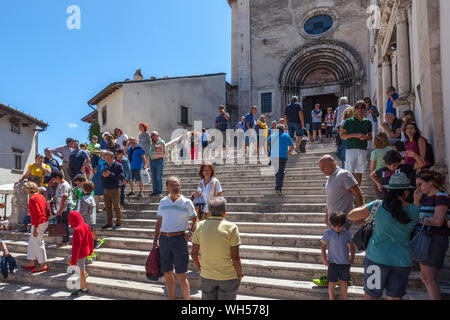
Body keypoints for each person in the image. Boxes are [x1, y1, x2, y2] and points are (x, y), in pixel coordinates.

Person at [348, 173, 420, 300]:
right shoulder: (414, 210)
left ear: (388, 189)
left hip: (376, 258)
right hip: (401, 261)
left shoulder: (377, 205)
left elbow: (351, 215)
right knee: (395, 297)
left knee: (370, 296)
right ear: (406, 192)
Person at [153, 177, 198, 300]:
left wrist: (190, 233)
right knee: (167, 273)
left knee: (181, 274)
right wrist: (155, 240)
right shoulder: (163, 202)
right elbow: (159, 221)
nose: (175, 187)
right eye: (172, 185)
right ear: (167, 187)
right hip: (164, 239)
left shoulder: (186, 202)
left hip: (179, 240)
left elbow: (195, 219)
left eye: (177, 185)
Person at [191, 197, 243, 300]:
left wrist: (201, 268)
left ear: (209, 211)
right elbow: (235, 257)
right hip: (228, 277)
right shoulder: (232, 227)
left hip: (207, 275)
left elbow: (193, 254)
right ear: (224, 212)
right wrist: (240, 274)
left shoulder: (200, 225)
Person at [414, 170, 450, 300]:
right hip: (425, 238)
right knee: (426, 277)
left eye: (420, 184)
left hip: (435, 238)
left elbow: (438, 221)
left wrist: (418, 219)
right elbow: (415, 212)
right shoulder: (425, 197)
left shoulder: (442, 196)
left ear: (430, 182)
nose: (418, 188)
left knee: (428, 278)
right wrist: (416, 200)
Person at [319, 155, 363, 229]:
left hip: (343, 222)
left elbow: (358, 194)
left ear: (333, 164)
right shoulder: (329, 178)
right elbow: (329, 199)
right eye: (320, 167)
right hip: (333, 221)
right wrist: (327, 216)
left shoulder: (343, 174)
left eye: (323, 167)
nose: (321, 170)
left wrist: (359, 216)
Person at [320, 212, 355, 300]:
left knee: (344, 283)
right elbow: (323, 247)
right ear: (331, 224)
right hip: (333, 264)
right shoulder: (328, 233)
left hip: (344, 263)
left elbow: (352, 246)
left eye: (340, 226)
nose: (337, 228)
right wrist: (324, 260)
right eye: (334, 226)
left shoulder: (347, 233)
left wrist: (352, 259)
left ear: (344, 224)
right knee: (332, 283)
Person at [340, 100, 372, 186]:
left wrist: (365, 137)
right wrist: (356, 135)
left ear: (365, 109)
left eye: (362, 107)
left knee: (359, 171)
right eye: (357, 107)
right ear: (355, 109)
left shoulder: (368, 122)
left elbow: (370, 137)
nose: (360, 109)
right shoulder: (349, 121)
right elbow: (342, 135)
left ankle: (358, 192)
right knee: (350, 171)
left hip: (362, 149)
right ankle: (351, 192)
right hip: (351, 148)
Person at [20, 182, 49, 273]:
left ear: (29, 189)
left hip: (39, 223)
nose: (25, 191)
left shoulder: (32, 199)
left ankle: (43, 264)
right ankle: (32, 263)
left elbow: (38, 214)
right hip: (43, 221)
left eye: (25, 189)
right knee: (32, 242)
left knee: (38, 243)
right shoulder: (41, 196)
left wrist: (36, 227)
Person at [66, 210, 93, 296]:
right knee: (69, 260)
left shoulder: (77, 230)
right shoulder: (86, 226)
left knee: (81, 270)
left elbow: (75, 248)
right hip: (85, 251)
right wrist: (91, 250)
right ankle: (84, 274)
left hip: (80, 253)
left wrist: (74, 262)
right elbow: (91, 240)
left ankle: (84, 289)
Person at [267, 124, 294, 196]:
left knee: (277, 172)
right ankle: (278, 188)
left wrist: (268, 151)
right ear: (283, 129)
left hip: (273, 156)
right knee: (281, 172)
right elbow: (292, 147)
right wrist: (287, 154)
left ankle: (278, 188)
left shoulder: (272, 136)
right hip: (282, 156)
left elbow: (266, 143)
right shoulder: (286, 136)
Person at [100, 151, 124, 230]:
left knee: (116, 206)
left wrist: (110, 174)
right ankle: (109, 223)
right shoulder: (105, 165)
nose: (105, 158)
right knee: (107, 207)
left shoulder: (118, 165)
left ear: (112, 157)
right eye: (105, 157)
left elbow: (120, 176)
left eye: (107, 157)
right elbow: (102, 176)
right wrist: (104, 176)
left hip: (114, 188)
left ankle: (118, 223)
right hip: (106, 188)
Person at [51, 171, 74, 247]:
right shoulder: (60, 184)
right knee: (61, 223)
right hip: (60, 207)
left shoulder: (64, 185)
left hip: (64, 207)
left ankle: (65, 241)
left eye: (54, 179)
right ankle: (63, 240)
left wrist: (60, 210)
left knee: (64, 224)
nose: (54, 181)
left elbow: (64, 198)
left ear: (57, 177)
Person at [77, 181, 103, 250]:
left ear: (84, 189)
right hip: (91, 218)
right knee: (90, 230)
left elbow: (84, 211)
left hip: (85, 219)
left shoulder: (84, 199)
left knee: (88, 231)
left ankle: (96, 241)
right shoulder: (91, 197)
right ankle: (94, 241)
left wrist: (77, 214)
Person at [149, 131, 166, 196]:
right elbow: (150, 152)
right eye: (152, 135)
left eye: (153, 135)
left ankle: (160, 191)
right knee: (153, 177)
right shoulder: (152, 143)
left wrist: (153, 143)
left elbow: (158, 148)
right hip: (152, 161)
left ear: (157, 135)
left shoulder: (161, 142)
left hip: (159, 160)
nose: (152, 136)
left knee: (159, 177)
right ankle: (155, 191)